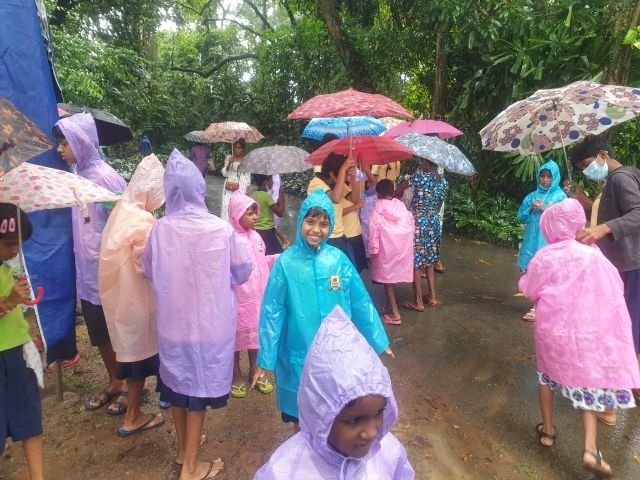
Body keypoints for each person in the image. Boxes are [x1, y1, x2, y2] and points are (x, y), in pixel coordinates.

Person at [142, 149, 252, 480]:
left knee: (177, 389)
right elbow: (242, 270)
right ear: (199, 188)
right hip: (210, 325)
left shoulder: (160, 229)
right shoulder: (220, 230)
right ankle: (191, 467)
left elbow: (147, 268)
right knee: (198, 396)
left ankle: (183, 453)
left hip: (174, 325)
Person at [519, 199, 640, 479]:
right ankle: (590, 449)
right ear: (578, 225)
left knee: (546, 378)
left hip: (553, 332)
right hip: (587, 334)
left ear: (549, 226)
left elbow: (530, 290)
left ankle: (548, 431)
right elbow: (616, 286)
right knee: (587, 386)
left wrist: (526, 284)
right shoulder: (594, 254)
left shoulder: (545, 256)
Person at [252, 190, 392, 429]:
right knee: (301, 415)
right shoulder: (286, 263)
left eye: (323, 224)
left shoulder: (338, 260)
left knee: (333, 413)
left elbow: (360, 302)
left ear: (331, 226)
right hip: (299, 352)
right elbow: (273, 313)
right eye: (310, 221)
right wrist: (266, 359)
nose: (316, 229)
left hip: (336, 354)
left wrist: (378, 340)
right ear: (300, 222)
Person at [254, 306, 414, 479]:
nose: (371, 433)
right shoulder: (285, 471)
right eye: (354, 420)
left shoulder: (389, 453)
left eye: (379, 412)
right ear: (320, 416)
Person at [54, 114, 129, 413]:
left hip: (109, 270)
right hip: (86, 273)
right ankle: (115, 381)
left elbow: (124, 222)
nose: (60, 149)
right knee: (98, 333)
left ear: (81, 142)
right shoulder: (75, 176)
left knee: (119, 333)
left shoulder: (107, 178)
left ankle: (130, 386)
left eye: (64, 143)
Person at [99, 154, 166, 437]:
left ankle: (133, 410)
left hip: (117, 299)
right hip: (138, 300)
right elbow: (148, 266)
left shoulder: (120, 210)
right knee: (139, 358)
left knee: (130, 354)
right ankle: (132, 415)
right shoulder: (142, 220)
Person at [572, 134, 640, 404]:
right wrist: (587, 210)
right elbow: (614, 213)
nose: (587, 170)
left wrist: (603, 228)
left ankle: (622, 388)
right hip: (622, 260)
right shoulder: (613, 180)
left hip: (632, 262)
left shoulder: (621, 178)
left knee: (629, 324)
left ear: (603, 155)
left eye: (587, 164)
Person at [0, 204, 44, 480]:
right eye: (8, 244)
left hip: (17, 350)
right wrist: (9, 301)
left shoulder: (6, 268)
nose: (15, 250)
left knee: (30, 418)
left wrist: (20, 297)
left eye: (18, 244)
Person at [227, 191, 277, 399]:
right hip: (238, 298)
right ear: (236, 214)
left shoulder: (256, 236)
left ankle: (257, 370)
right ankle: (234, 373)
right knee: (236, 337)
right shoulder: (229, 238)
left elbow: (261, 262)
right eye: (250, 213)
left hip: (258, 297)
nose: (255, 217)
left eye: (256, 212)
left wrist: (276, 259)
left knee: (256, 336)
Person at [516, 160, 566, 321]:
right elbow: (520, 217)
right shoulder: (532, 196)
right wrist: (531, 208)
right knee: (533, 273)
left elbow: (565, 220)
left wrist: (546, 210)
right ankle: (541, 305)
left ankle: (537, 308)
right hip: (532, 241)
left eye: (548, 177)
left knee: (547, 273)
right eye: (542, 176)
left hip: (549, 242)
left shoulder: (560, 196)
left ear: (555, 178)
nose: (545, 180)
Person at [397, 157, 448, 312]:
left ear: (426, 163)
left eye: (422, 162)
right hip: (433, 222)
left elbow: (398, 191)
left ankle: (418, 301)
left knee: (416, 263)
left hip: (418, 222)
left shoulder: (417, 177)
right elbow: (439, 207)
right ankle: (432, 296)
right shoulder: (444, 183)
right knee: (430, 261)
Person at [369, 180, 415, 325]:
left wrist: (373, 250)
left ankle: (395, 314)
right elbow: (410, 223)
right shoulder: (400, 205)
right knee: (392, 278)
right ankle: (389, 307)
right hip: (402, 248)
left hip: (385, 249)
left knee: (387, 281)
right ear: (392, 191)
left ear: (378, 194)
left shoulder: (378, 205)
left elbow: (373, 228)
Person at [307, 153, 355, 262]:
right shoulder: (316, 183)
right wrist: (343, 169)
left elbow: (354, 199)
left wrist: (353, 177)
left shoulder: (336, 184)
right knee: (331, 275)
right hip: (325, 238)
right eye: (343, 175)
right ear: (332, 174)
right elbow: (336, 198)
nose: (345, 179)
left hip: (339, 236)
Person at [251, 174, 286, 255]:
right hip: (267, 232)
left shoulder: (253, 195)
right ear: (265, 182)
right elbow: (280, 213)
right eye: (271, 181)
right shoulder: (266, 196)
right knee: (276, 257)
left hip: (257, 230)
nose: (273, 184)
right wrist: (281, 195)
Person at [220, 138, 251, 222]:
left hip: (240, 185)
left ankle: (236, 227)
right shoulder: (229, 157)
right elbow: (224, 174)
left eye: (239, 148)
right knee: (227, 205)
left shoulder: (245, 160)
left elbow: (248, 176)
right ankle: (227, 226)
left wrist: (247, 190)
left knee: (238, 206)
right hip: (229, 184)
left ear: (243, 149)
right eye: (236, 147)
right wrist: (229, 163)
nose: (237, 150)